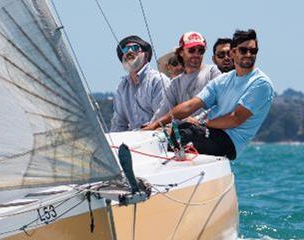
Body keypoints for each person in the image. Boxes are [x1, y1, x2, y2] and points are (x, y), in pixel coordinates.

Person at [163, 29, 274, 159]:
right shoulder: (225, 79)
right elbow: (191, 105)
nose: (249, 54)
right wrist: (154, 125)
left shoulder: (261, 83)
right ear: (233, 52)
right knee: (172, 130)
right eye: (243, 50)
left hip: (230, 142)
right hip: (212, 132)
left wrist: (202, 123)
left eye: (253, 51)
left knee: (182, 134)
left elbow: (235, 119)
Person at [142, 31, 221, 129]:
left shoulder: (213, 72)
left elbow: (221, 103)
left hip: (210, 131)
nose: (196, 54)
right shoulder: (175, 83)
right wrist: (151, 125)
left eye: (201, 51)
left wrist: (199, 120)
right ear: (181, 52)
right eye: (191, 50)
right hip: (186, 134)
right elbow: (163, 111)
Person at [110, 35, 169, 132]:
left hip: (157, 139)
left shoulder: (157, 80)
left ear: (146, 55)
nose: (129, 51)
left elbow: (162, 119)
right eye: (124, 50)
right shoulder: (121, 87)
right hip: (135, 142)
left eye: (135, 48)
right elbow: (119, 124)